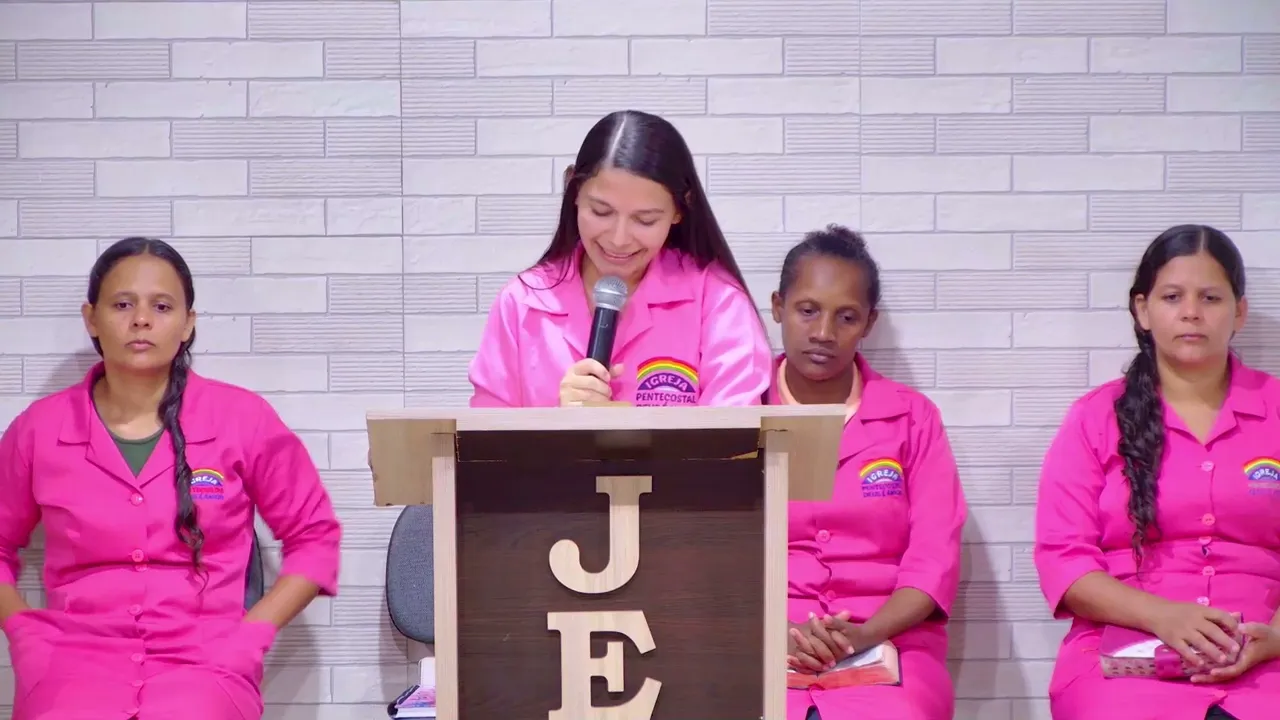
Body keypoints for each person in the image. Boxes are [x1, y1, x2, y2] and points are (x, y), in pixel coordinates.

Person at [0, 238, 342, 720]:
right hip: (70, 665)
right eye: (122, 304)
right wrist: (23, 632)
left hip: (206, 665)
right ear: (91, 318)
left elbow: (314, 536)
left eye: (161, 306)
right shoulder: (39, 430)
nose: (141, 319)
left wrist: (252, 634)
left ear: (187, 323)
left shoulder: (242, 419)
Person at [1034, 225, 1280, 720]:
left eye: (1210, 297)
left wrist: (1275, 638)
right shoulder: (1093, 418)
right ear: (1143, 310)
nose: (1191, 312)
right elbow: (1064, 560)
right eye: (1172, 297)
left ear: (1239, 312)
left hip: (1266, 652)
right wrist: (1164, 616)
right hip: (1126, 654)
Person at [770, 225, 966, 720]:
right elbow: (706, 554)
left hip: (889, 643)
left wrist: (862, 635)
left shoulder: (912, 418)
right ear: (777, 307)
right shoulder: (736, 410)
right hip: (759, 640)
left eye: (847, 317)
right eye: (807, 310)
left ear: (869, 323)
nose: (823, 332)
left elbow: (933, 560)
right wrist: (775, 635)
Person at [468, 109, 772, 408]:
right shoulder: (521, 304)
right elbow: (486, 434)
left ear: (680, 209)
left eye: (645, 220)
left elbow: (735, 431)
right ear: (574, 191)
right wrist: (558, 426)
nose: (619, 239)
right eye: (601, 212)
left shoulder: (717, 301)